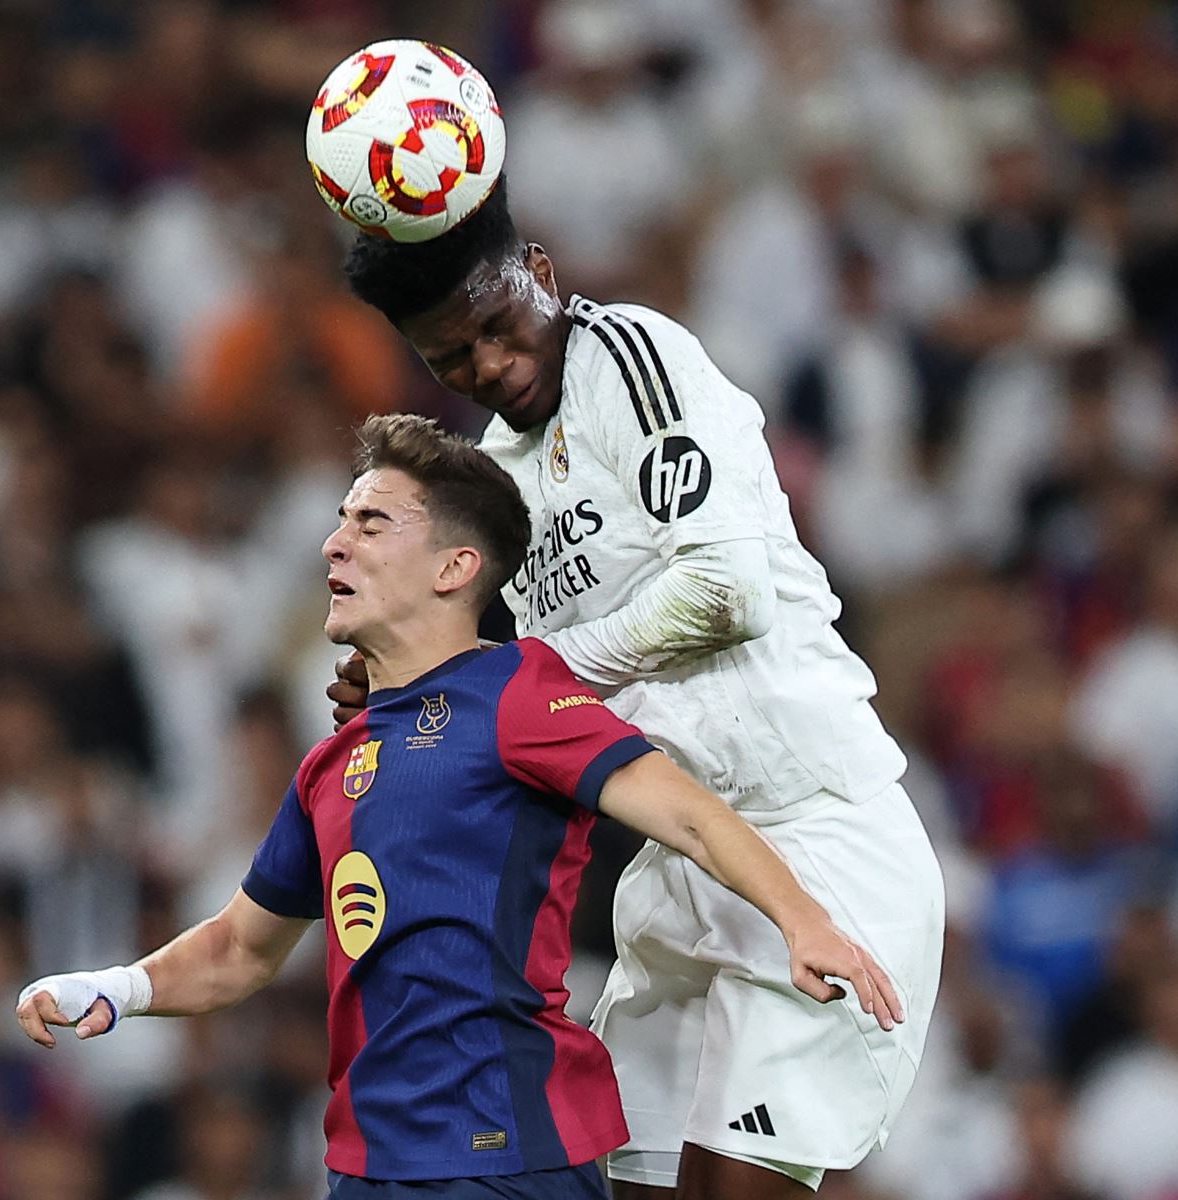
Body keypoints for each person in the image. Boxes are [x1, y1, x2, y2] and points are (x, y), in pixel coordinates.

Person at [18, 415, 903, 1200]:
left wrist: (802, 921)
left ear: (455, 565)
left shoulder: (516, 693)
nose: (334, 545)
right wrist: (118, 987)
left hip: (501, 1150)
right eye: (338, 520)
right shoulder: (332, 763)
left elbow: (691, 815)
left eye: (370, 521)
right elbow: (239, 950)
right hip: (366, 1166)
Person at [328, 185, 946, 1199]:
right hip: (681, 867)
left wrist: (521, 676)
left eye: (497, 325)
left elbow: (726, 590)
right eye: (453, 358)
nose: (490, 364)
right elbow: (516, 700)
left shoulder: (629, 359)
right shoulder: (495, 483)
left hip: (817, 833)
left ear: (541, 272)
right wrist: (402, 683)